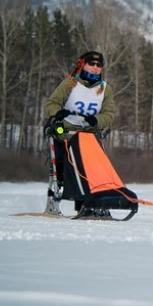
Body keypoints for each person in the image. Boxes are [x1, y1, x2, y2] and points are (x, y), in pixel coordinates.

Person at [44, 51, 116, 216]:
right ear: (83, 64)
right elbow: (51, 104)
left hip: (88, 135)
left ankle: (90, 205)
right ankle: (54, 202)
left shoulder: (105, 89)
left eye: (99, 65)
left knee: (92, 171)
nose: (95, 68)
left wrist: (97, 120)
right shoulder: (70, 83)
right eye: (92, 64)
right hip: (66, 132)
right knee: (62, 169)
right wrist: (57, 113)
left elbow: (109, 114)